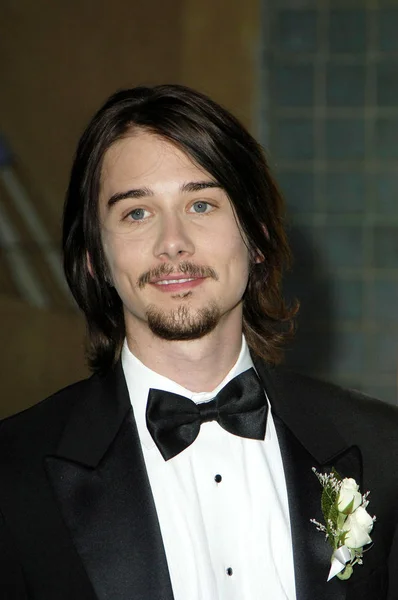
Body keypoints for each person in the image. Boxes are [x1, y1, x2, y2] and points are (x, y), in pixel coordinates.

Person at [0, 85, 397, 600]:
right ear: (95, 257)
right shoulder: (14, 474)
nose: (173, 243)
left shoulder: (385, 450)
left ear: (255, 236)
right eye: (136, 213)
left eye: (202, 204)